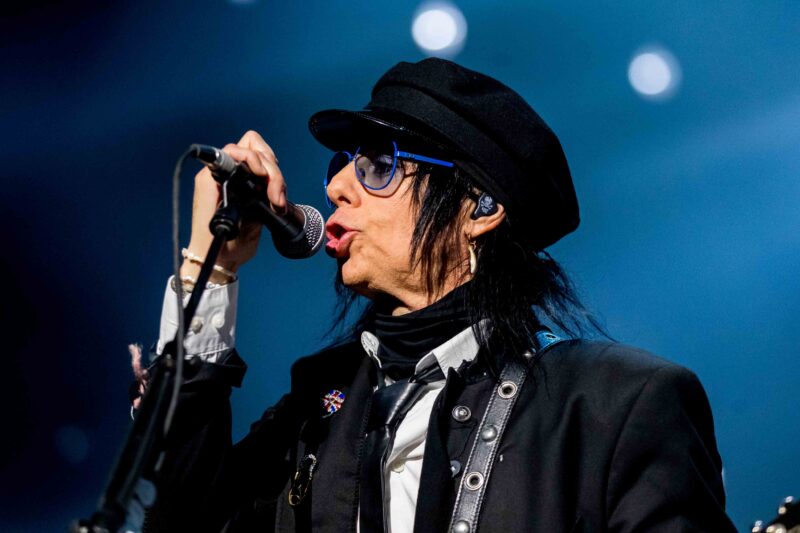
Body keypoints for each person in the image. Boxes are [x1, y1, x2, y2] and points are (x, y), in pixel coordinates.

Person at [137, 58, 736, 532]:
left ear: (480, 208)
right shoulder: (314, 409)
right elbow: (180, 519)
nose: (338, 185)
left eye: (378, 165)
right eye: (342, 164)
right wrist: (209, 269)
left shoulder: (618, 406)